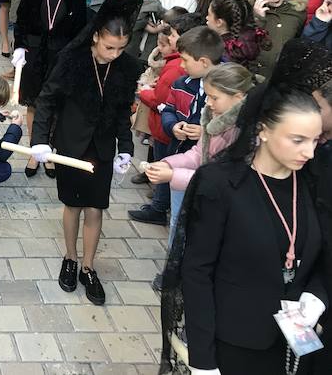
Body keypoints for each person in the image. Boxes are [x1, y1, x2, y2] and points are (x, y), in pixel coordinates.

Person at [160, 85, 327, 375]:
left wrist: (317, 294)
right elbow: (197, 271)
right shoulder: (220, 184)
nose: (309, 152)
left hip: (293, 342)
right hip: (235, 341)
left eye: (315, 140)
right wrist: (203, 359)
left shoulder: (313, 182)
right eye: (298, 140)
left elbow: (323, 253)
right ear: (263, 130)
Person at [29, 0, 144, 305]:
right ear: (96, 37)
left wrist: (127, 147)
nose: (114, 54)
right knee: (73, 206)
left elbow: (122, 111)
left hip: (103, 147)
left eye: (121, 48)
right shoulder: (72, 60)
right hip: (71, 145)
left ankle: (89, 267)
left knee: (96, 208)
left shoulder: (125, 67)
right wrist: (39, 139)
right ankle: (70, 257)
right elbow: (47, 100)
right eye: (109, 47)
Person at [147, 63, 254, 238]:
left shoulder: (243, 131)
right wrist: (167, 164)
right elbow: (199, 153)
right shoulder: (216, 116)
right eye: (207, 96)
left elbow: (222, 179)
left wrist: (173, 175)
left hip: (224, 208)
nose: (207, 102)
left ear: (238, 97)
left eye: (214, 97)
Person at [130, 27, 224, 226]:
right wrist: (172, 126)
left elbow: (232, 128)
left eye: (185, 60)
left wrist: (205, 132)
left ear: (204, 62)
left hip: (207, 166)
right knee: (177, 216)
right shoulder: (182, 83)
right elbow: (168, 108)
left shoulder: (227, 89)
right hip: (179, 153)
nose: (181, 65)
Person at [13, 0, 88, 174]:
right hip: (35, 55)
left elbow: (80, 31)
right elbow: (22, 21)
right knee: (34, 103)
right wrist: (20, 47)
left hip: (62, 57)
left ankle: (51, 151)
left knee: (57, 106)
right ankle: (35, 150)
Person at [242, 0, 307, 79]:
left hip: (282, 79)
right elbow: (241, 48)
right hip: (252, 77)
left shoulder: (297, 8)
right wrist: (258, 19)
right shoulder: (245, 10)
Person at [206, 0, 266, 69]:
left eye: (209, 14)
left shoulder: (218, 54)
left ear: (219, 22)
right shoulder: (253, 38)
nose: (207, 17)